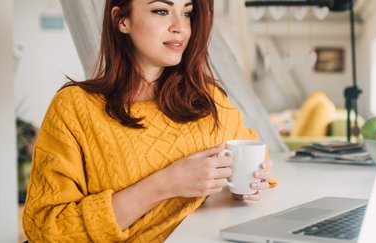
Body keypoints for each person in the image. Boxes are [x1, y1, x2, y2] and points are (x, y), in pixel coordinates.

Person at [22, 0, 274, 241]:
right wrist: (166, 184)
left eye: (186, 12)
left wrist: (250, 184)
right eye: (161, 11)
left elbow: (253, 154)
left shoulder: (209, 101)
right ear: (122, 20)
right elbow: (46, 229)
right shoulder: (74, 108)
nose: (179, 26)